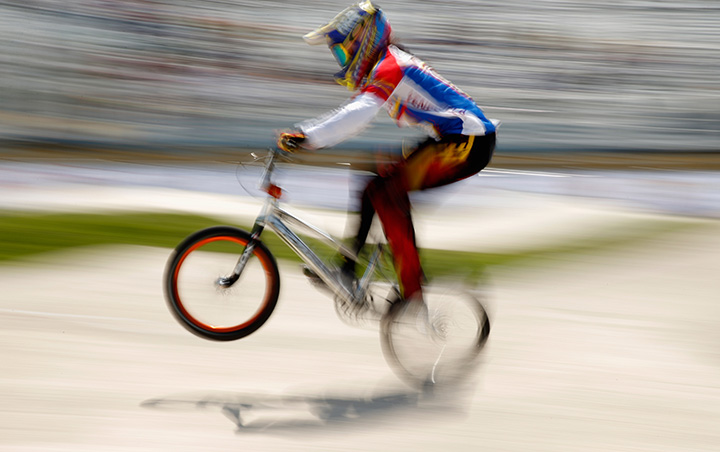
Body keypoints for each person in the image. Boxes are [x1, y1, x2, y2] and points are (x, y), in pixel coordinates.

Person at [278, 0, 498, 305]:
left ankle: (412, 290)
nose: (343, 57)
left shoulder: (390, 66)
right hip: (454, 139)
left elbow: (358, 115)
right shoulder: (389, 63)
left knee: (388, 195)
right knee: (373, 183)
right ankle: (347, 269)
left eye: (345, 49)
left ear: (366, 39)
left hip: (468, 142)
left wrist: (307, 135)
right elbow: (359, 113)